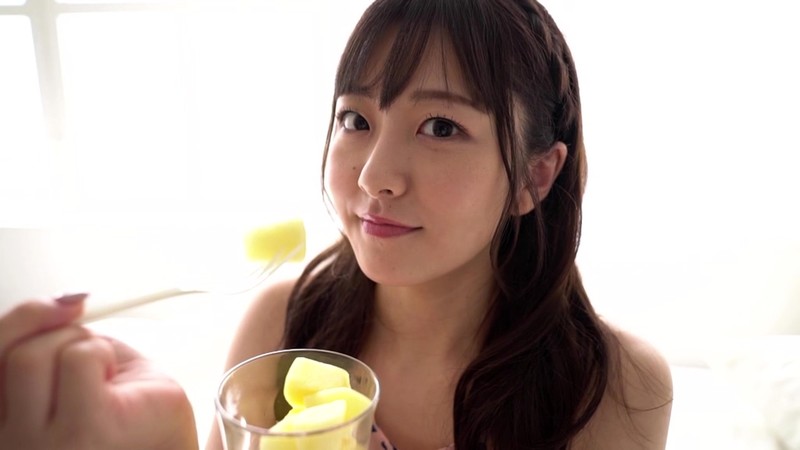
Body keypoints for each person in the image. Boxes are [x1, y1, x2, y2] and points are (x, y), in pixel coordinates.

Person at [0, 0, 672, 449]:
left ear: (536, 177)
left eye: (441, 127)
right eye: (356, 119)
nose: (376, 175)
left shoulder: (615, 385)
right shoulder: (280, 324)